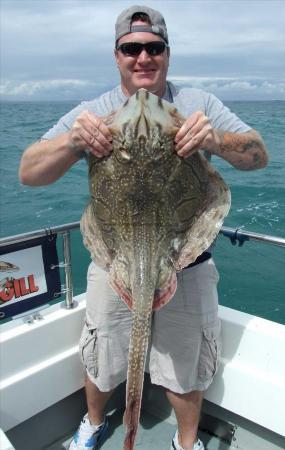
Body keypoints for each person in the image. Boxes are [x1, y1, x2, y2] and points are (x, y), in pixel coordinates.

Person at [19, 5, 268, 450]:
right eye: (131, 48)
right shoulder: (93, 111)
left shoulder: (200, 104)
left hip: (185, 258)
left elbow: (257, 155)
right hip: (115, 257)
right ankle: (95, 424)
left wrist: (216, 140)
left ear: (167, 53)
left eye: (154, 48)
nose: (143, 57)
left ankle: (185, 442)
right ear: (116, 56)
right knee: (105, 359)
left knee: (185, 367)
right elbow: (29, 172)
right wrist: (74, 141)